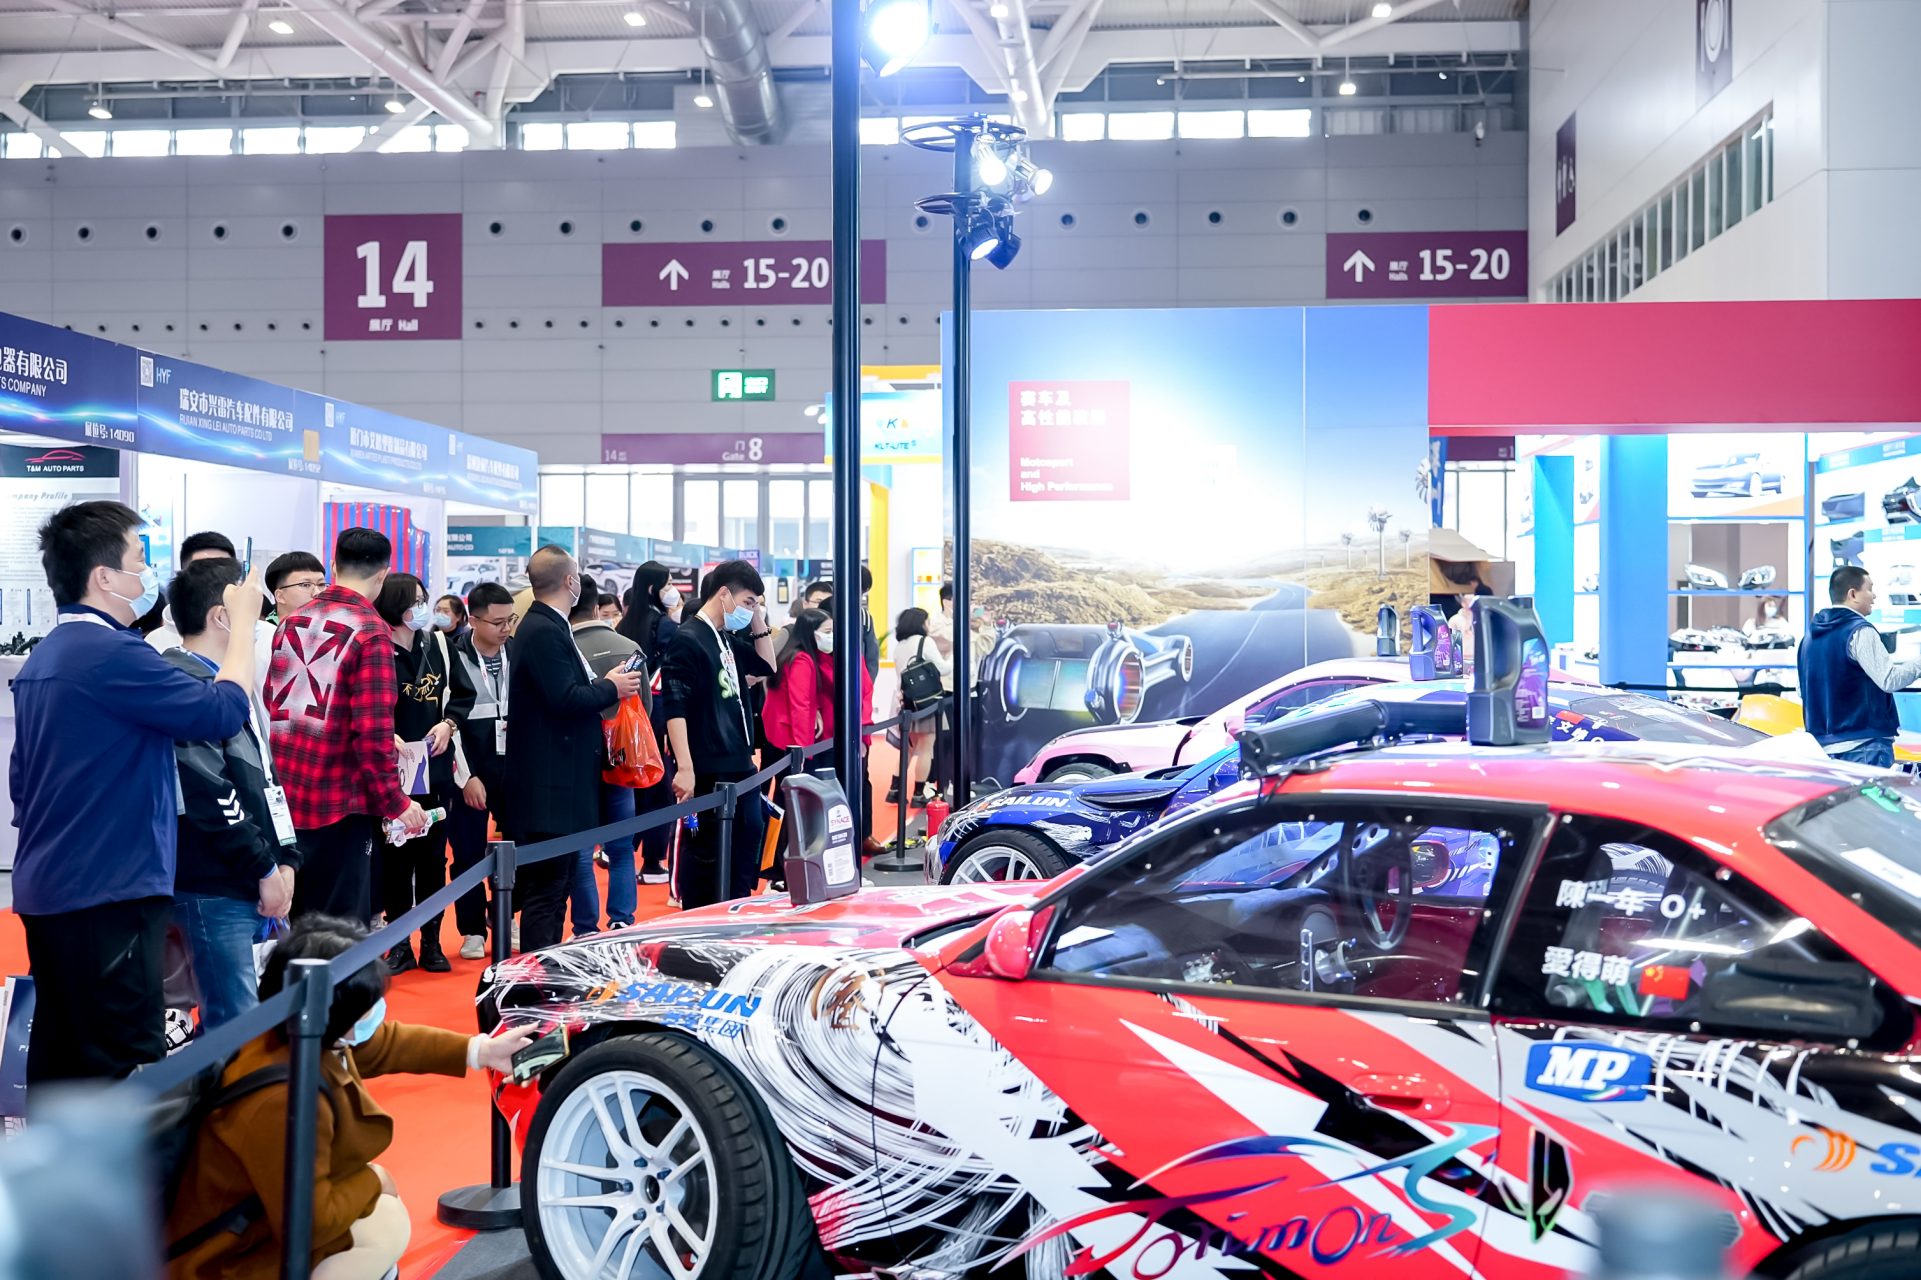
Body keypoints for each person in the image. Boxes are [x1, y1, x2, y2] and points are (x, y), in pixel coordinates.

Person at [9, 501, 262, 1085]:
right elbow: (222, 711)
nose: (147, 572)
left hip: (55, 886)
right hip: (109, 891)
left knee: (62, 1053)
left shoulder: (49, 655)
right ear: (104, 577)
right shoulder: (111, 654)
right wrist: (244, 622)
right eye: (138, 559)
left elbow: (22, 785)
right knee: (120, 1058)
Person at [162, 915, 535, 1280]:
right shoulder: (277, 1097)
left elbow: (386, 1044)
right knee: (383, 1228)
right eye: (367, 1005)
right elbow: (310, 1222)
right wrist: (374, 1179)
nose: (376, 1013)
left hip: (257, 1227)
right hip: (228, 1258)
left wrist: (481, 1051)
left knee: (381, 1221)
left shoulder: (297, 1033)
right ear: (333, 1010)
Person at [267, 528, 428, 924]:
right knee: (337, 932)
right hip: (339, 803)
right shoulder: (371, 632)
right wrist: (395, 801)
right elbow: (372, 734)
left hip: (286, 798)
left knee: (293, 927)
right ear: (383, 574)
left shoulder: (291, 621)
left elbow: (274, 701)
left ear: (334, 565)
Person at [163, 560, 298, 1029]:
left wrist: (286, 858)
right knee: (234, 1026)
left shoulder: (229, 681)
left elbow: (265, 778)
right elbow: (208, 791)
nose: (259, 624)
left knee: (248, 1019)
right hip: (215, 883)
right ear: (222, 617)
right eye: (252, 610)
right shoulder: (182, 683)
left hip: (250, 876)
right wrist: (264, 866)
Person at [504, 547, 645, 951]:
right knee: (547, 890)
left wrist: (604, 685)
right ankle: (536, 970)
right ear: (570, 581)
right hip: (550, 789)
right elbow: (564, 698)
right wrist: (611, 687)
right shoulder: (544, 630)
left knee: (557, 886)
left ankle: (546, 963)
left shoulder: (550, 626)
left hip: (559, 785)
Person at [662, 560, 777, 908]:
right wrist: (685, 767)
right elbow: (675, 706)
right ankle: (698, 918)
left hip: (740, 765)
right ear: (724, 594)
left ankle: (735, 911)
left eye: (754, 604)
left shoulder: (724, 638)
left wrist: (757, 617)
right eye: (746, 602)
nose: (750, 609)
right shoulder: (688, 639)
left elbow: (767, 666)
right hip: (706, 771)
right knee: (703, 853)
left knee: (746, 843)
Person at [373, 573, 471, 974]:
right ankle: (399, 944)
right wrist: (384, 734)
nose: (422, 608)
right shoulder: (376, 649)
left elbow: (463, 695)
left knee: (432, 860)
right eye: (414, 601)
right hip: (390, 773)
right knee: (395, 860)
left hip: (435, 769)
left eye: (423, 599)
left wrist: (448, 724)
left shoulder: (439, 646)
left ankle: (432, 941)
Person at [570, 574, 648, 932]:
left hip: (577, 762)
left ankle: (585, 927)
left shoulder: (564, 648)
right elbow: (645, 709)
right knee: (621, 849)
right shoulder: (629, 647)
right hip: (622, 758)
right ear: (596, 606)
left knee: (581, 852)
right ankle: (622, 921)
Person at [446, 583, 515, 960]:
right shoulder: (451, 656)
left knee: (519, 845)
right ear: (473, 620)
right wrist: (466, 776)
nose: (506, 628)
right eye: (497, 622)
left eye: (510, 620)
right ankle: (472, 928)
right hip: (470, 768)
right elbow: (447, 723)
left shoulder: (518, 652)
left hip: (514, 766)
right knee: (467, 851)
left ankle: (508, 914)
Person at [1800, 567, 1921, 769]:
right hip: (1865, 747)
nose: (1874, 596)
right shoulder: (1859, 631)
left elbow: (1802, 689)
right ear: (1853, 594)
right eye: (1870, 589)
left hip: (1824, 749)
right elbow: (1889, 679)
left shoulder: (1809, 637)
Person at [616, 560, 681, 885]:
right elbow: (672, 678)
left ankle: (622, 851)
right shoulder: (665, 626)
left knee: (633, 788)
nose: (673, 590)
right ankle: (653, 862)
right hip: (658, 718)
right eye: (668, 583)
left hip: (626, 717)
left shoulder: (623, 626)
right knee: (661, 791)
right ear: (655, 589)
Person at [888, 607, 952, 807]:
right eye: (926, 621)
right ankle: (918, 794)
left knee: (908, 749)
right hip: (927, 703)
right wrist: (954, 656)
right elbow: (942, 669)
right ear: (920, 623)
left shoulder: (900, 646)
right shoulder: (925, 642)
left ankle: (895, 790)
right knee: (926, 749)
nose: (928, 625)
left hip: (907, 703)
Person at [265, 551, 326, 622]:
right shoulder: (261, 627)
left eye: (321, 584)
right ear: (280, 596)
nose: (317, 592)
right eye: (305, 585)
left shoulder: (331, 624)